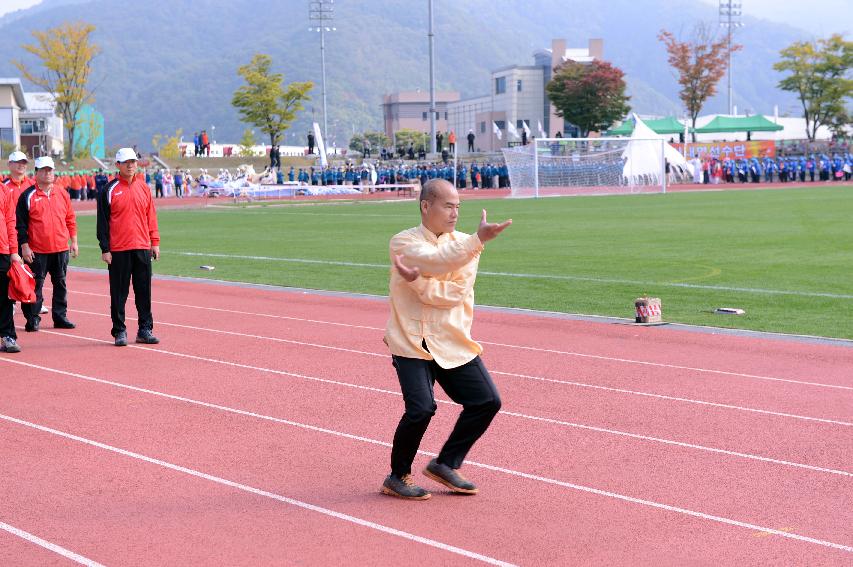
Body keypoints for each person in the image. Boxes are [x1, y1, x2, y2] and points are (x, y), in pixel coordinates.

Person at [380, 178, 512, 500]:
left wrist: (417, 283)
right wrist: (475, 242)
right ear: (426, 206)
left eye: (458, 207)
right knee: (421, 409)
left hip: (450, 339)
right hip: (411, 340)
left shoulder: (468, 244)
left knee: (487, 401)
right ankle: (398, 476)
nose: (455, 213)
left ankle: (445, 463)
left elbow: (454, 293)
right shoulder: (403, 242)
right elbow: (437, 261)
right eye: (448, 206)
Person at [97, 148, 161, 347]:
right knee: (119, 293)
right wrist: (105, 248)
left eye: (133, 161)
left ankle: (145, 329)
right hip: (118, 249)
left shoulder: (143, 187)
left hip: (142, 246)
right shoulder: (108, 190)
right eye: (126, 162)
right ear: (118, 165)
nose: (131, 165)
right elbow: (103, 222)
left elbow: (151, 216)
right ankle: (119, 330)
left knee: (144, 291)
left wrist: (155, 242)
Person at [16, 156, 78, 332]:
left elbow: (70, 218)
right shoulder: (27, 196)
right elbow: (20, 224)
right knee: (35, 286)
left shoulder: (63, 194)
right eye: (43, 170)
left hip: (60, 248)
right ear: (36, 173)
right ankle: (32, 319)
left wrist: (73, 241)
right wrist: (24, 245)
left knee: (60, 284)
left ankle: (60, 316)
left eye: (50, 170)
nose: (48, 173)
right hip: (37, 250)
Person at [0, 168, 23, 353]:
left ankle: (8, 335)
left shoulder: (3, 190)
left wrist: (14, 251)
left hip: (3, 251)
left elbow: (10, 222)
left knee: (5, 297)